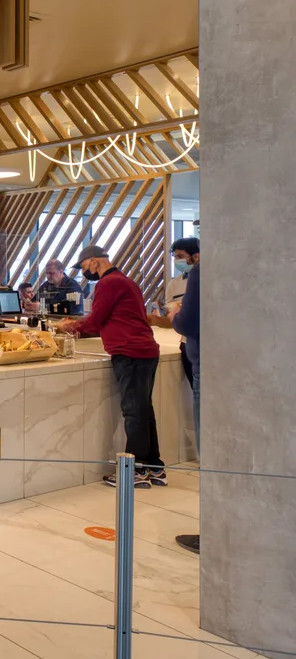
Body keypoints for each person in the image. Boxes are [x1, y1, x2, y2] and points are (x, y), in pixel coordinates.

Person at [57, 246, 165, 488]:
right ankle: (153, 466)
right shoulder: (126, 281)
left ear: (94, 261)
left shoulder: (107, 283)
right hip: (145, 350)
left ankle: (134, 471)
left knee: (134, 413)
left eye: (84, 267)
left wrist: (70, 326)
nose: (84, 273)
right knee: (144, 411)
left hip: (130, 352)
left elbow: (96, 321)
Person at [169, 237, 200, 554]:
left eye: (181, 256)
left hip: (200, 354)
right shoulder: (178, 279)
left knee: (206, 428)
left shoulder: (201, 274)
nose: (179, 260)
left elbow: (186, 320)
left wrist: (177, 315)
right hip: (202, 353)